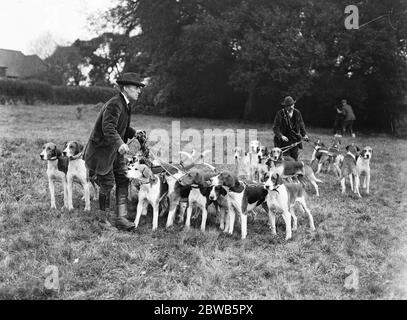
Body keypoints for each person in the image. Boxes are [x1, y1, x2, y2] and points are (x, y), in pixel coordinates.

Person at [83, 72, 145, 231]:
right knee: (108, 182)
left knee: (124, 179)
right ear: (125, 88)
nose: (139, 90)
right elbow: (108, 128)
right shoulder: (114, 104)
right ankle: (103, 221)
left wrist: (134, 133)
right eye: (136, 87)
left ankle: (121, 217)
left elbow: (121, 127)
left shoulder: (125, 104)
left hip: (114, 151)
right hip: (101, 152)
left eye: (140, 88)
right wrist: (120, 144)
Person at [273, 96, 309, 161]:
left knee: (294, 160)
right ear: (285, 106)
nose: (291, 107)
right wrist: (281, 136)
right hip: (283, 142)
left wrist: (304, 135)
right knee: (285, 160)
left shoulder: (297, 112)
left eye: (292, 105)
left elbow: (301, 125)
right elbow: (275, 128)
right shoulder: (280, 113)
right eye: (289, 105)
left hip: (294, 141)